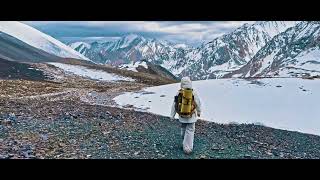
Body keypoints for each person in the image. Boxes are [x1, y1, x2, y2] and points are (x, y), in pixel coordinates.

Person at [171, 77, 202, 154]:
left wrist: (172, 115)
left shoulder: (179, 92)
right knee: (190, 130)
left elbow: (174, 104)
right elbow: (198, 102)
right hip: (191, 116)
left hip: (182, 116)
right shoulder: (193, 92)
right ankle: (187, 148)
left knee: (184, 128)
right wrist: (199, 111)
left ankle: (184, 142)